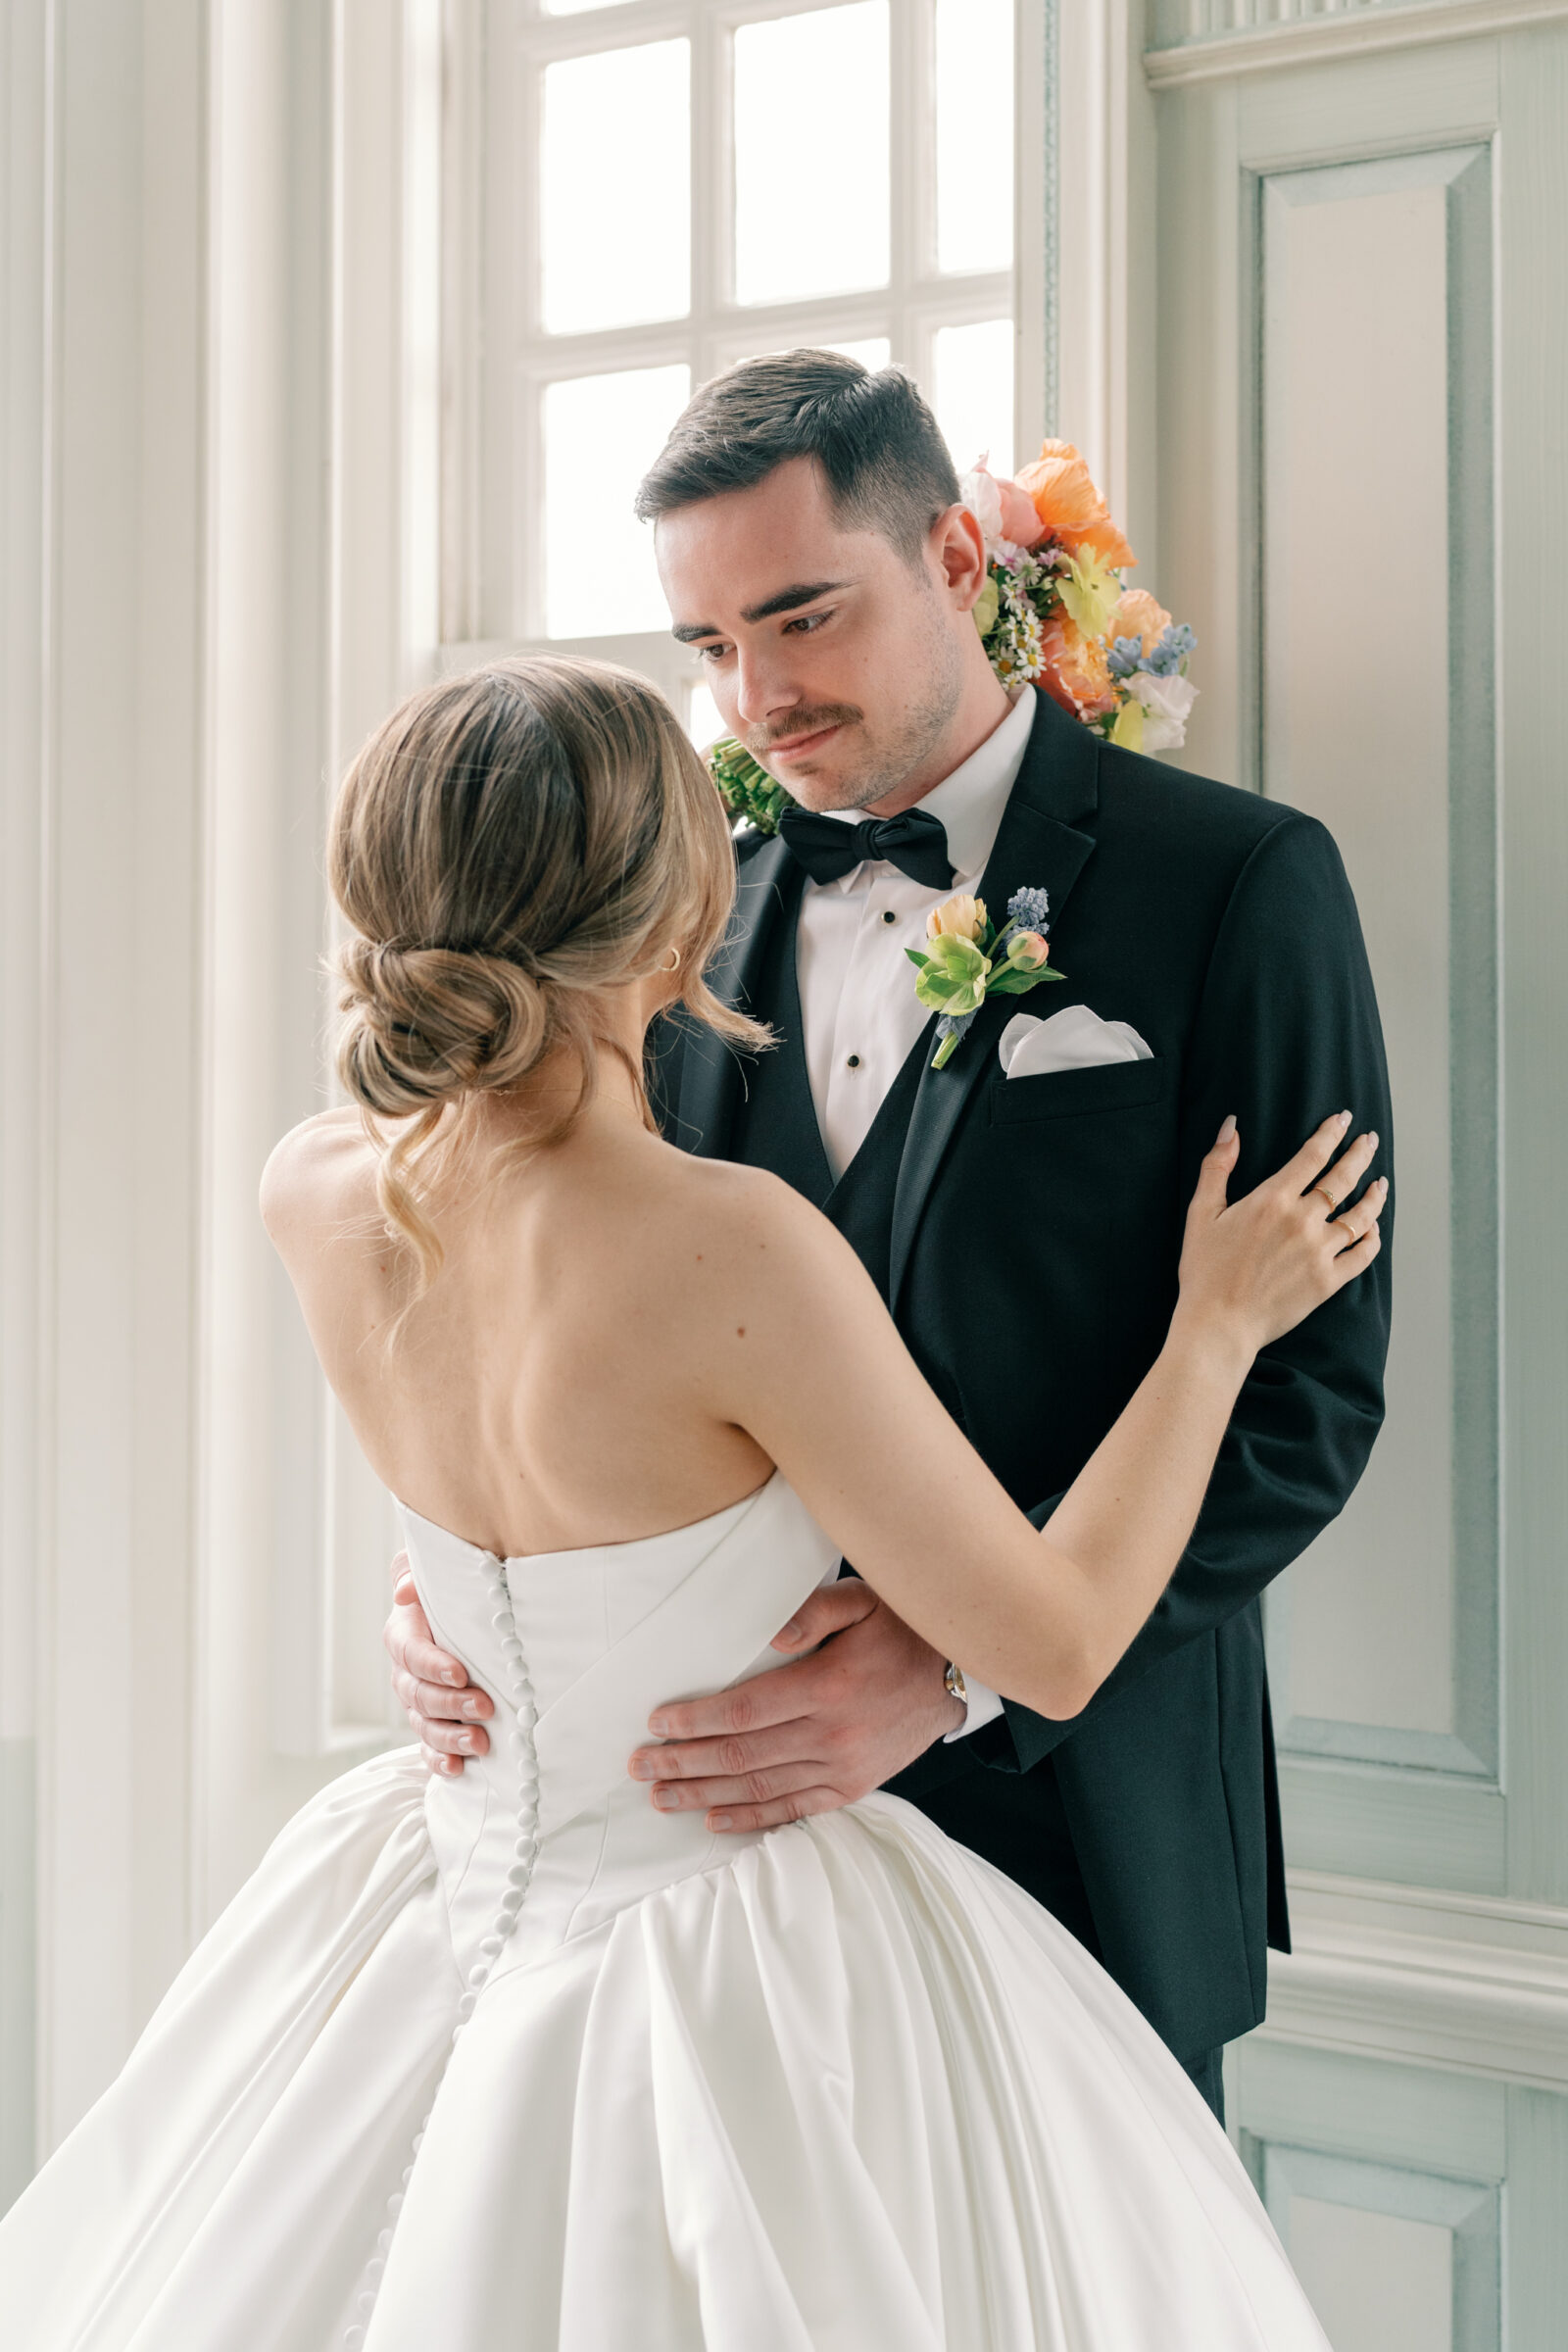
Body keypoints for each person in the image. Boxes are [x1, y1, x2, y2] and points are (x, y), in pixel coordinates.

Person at [0, 651, 1379, 2347]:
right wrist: (1218, 1328)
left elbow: (497, 1502)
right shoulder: (733, 1251)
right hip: (734, 1962)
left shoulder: (315, 1186)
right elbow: (1069, 1641)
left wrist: (437, 1604)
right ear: (675, 924)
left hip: (432, 1891)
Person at [389, 353, 1395, 2119]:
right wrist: (474, 1591)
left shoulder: (1235, 882)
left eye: (800, 617)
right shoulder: (672, 896)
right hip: (700, 1851)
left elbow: (1306, 1397)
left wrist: (954, 1675)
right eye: (707, 648)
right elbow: (553, 1280)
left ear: (947, 557)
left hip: (1089, 1830)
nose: (755, 697)